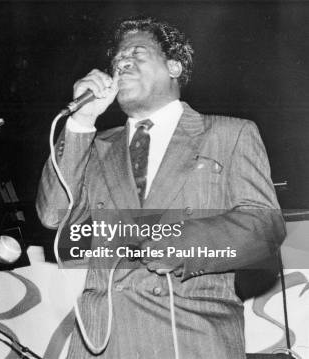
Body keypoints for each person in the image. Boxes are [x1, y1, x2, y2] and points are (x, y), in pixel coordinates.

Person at [37, 16, 285, 358]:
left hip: (189, 336)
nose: (122, 62)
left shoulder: (230, 133)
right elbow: (53, 215)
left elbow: (264, 227)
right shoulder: (94, 147)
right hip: (104, 344)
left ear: (174, 66)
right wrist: (81, 122)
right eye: (117, 59)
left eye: (137, 53)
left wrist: (184, 244)